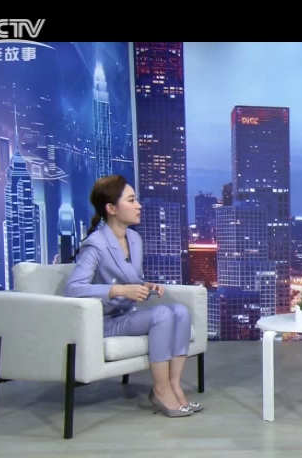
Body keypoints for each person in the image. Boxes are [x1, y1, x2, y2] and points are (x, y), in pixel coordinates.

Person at [64, 175, 202, 418]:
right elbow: (73, 288)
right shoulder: (96, 244)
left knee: (181, 311)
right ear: (111, 208)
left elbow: (131, 278)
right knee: (161, 314)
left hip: (128, 314)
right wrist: (118, 290)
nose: (139, 206)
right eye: (131, 200)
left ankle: (174, 386)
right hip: (107, 321)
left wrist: (145, 286)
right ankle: (160, 390)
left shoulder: (134, 239)